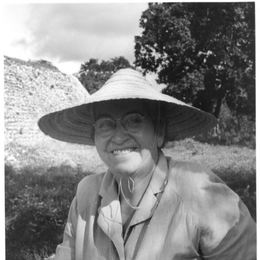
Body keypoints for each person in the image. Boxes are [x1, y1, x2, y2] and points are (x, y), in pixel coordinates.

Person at [39, 68, 256, 260]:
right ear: (94, 136)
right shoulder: (86, 194)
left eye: (134, 120)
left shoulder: (199, 191)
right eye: (105, 124)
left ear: (159, 131)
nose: (118, 136)